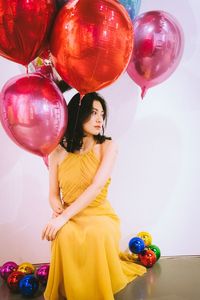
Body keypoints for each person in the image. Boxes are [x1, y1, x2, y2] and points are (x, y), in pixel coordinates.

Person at [42, 92, 146, 300]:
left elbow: (96, 187)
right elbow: (53, 194)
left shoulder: (108, 146)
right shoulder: (57, 151)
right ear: (78, 114)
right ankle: (72, 290)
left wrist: (63, 217)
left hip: (99, 214)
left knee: (97, 233)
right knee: (64, 235)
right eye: (93, 113)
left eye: (101, 114)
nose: (100, 119)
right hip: (70, 213)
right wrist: (58, 210)